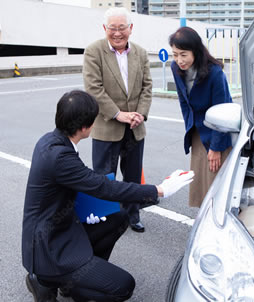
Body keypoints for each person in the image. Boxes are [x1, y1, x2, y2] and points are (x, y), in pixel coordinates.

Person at [21, 90, 193, 302]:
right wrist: (159, 190)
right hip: (50, 248)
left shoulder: (50, 140)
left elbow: (79, 186)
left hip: (60, 228)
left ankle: (75, 282)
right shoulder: (60, 157)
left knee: (119, 216)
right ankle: (48, 282)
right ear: (85, 127)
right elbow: (104, 188)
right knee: (123, 286)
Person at [83, 7, 151, 233]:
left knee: (132, 177)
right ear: (105, 29)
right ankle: (104, 218)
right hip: (106, 127)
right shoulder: (94, 51)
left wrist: (140, 114)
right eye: (112, 28)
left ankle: (132, 215)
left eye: (122, 27)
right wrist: (118, 114)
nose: (117, 33)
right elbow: (94, 88)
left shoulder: (140, 53)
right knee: (103, 177)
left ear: (130, 29)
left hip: (135, 127)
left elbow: (147, 88)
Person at [169, 27, 232, 208]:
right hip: (198, 131)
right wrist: (190, 126)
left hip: (218, 131)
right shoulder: (175, 68)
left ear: (195, 51)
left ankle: (217, 219)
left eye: (183, 54)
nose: (179, 60)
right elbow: (184, 102)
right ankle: (204, 217)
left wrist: (216, 147)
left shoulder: (214, 73)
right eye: (175, 54)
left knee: (215, 177)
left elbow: (223, 111)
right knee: (200, 179)